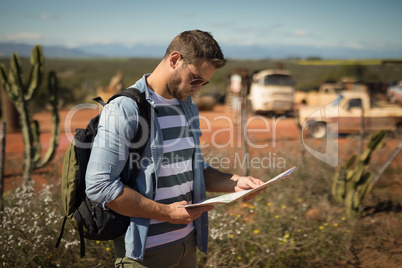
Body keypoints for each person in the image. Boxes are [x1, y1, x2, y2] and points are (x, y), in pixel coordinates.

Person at [85, 29, 265, 268]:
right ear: (175, 60)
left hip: (188, 247)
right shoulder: (124, 109)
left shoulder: (187, 107)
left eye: (205, 82)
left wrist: (235, 182)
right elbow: (100, 186)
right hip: (144, 255)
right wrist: (166, 213)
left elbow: (193, 170)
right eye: (196, 78)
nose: (198, 88)